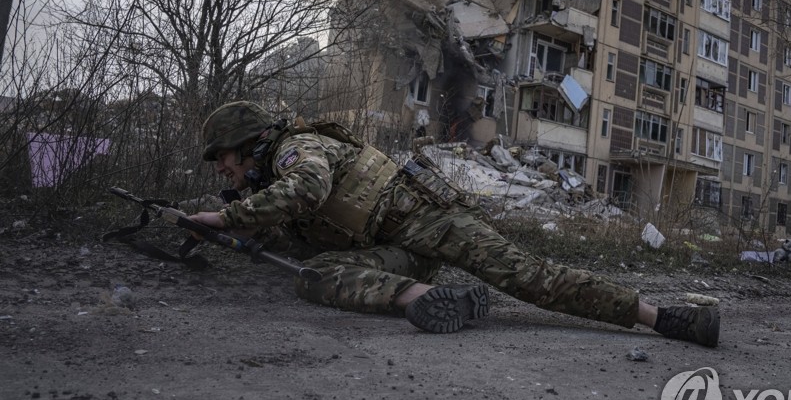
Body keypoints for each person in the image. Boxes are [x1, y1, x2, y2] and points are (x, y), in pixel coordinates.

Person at [187, 101, 720, 347]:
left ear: (250, 142)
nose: (222, 168)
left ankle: (664, 318)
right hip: (399, 254)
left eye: (224, 156)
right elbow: (301, 232)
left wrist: (227, 214)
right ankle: (425, 298)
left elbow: (309, 186)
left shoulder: (293, 150)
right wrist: (230, 229)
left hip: (432, 223)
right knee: (313, 274)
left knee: (529, 277)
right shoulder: (267, 178)